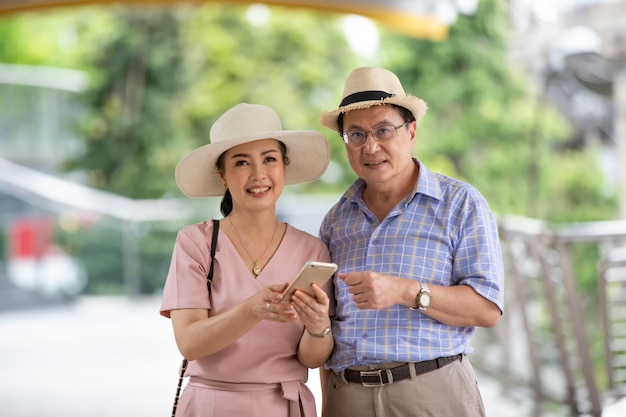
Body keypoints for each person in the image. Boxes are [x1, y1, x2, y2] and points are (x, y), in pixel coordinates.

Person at [317, 67, 505, 417]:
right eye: (355, 135)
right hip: (349, 396)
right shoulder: (335, 221)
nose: (370, 146)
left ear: (412, 132)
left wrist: (406, 291)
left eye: (383, 130)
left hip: (432, 390)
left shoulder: (461, 203)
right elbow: (326, 325)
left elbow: (487, 308)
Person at [160, 103, 335, 417]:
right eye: (242, 163)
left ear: (283, 167)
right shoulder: (195, 243)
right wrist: (252, 310)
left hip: (287, 408)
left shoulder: (313, 251)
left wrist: (319, 327)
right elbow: (189, 343)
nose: (259, 174)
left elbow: (312, 359)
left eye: (270, 159)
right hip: (211, 406)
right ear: (223, 175)